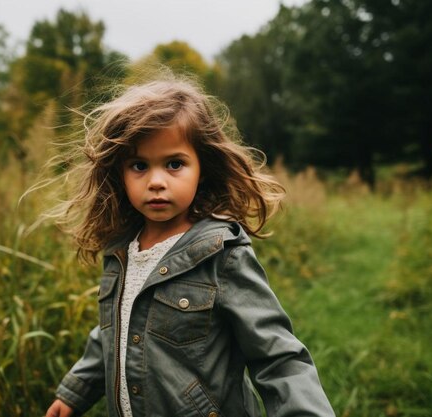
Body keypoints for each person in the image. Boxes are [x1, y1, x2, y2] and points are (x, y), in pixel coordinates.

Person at [44, 76, 335, 417]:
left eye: (174, 164)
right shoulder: (122, 250)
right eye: (139, 166)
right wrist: (74, 393)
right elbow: (114, 332)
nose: (155, 182)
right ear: (119, 173)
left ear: (202, 168)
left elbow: (276, 355)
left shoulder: (221, 254)